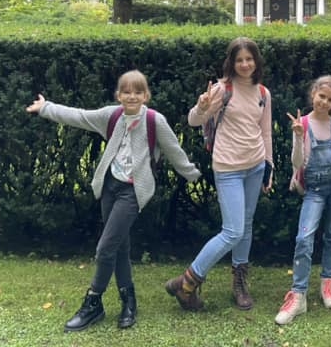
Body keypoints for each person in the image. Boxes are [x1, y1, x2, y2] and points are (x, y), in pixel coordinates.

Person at [26, 70, 201, 332]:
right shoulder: (112, 116)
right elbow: (79, 116)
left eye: (138, 92)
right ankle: (129, 301)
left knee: (105, 248)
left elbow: (174, 151)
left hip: (133, 192)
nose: (132, 96)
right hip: (110, 187)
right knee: (119, 246)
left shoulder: (154, 121)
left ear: (146, 95)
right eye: (126, 92)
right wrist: (46, 108)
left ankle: (93, 301)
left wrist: (194, 174)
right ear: (119, 95)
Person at [165, 37, 274, 311]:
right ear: (231, 62)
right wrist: (202, 106)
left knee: (245, 225)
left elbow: (265, 133)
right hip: (228, 168)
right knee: (233, 231)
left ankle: (239, 283)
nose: (245, 64)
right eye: (239, 60)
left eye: (249, 59)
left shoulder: (263, 92)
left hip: (255, 166)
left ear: (256, 61)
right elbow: (193, 121)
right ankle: (187, 281)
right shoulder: (221, 90)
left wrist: (268, 166)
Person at [275, 75, 331, 325]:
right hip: (315, 190)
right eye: (321, 96)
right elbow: (297, 163)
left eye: (330, 100)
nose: (324, 102)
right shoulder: (302, 124)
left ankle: (327, 283)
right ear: (313, 94)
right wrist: (298, 137)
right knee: (304, 238)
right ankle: (298, 295)